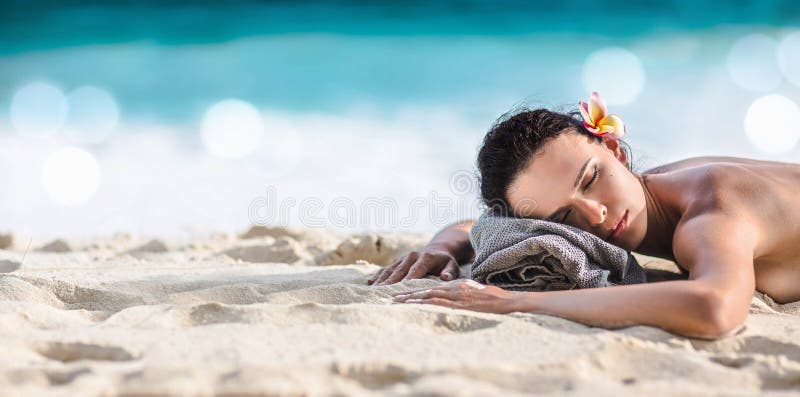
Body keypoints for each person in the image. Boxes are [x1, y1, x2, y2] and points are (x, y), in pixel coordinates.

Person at [369, 92, 800, 339]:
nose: (594, 214)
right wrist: (441, 247)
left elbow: (715, 308)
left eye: (591, 179)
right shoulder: (661, 190)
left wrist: (517, 302)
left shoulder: (710, 213)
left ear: (613, 149)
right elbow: (470, 226)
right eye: (563, 216)